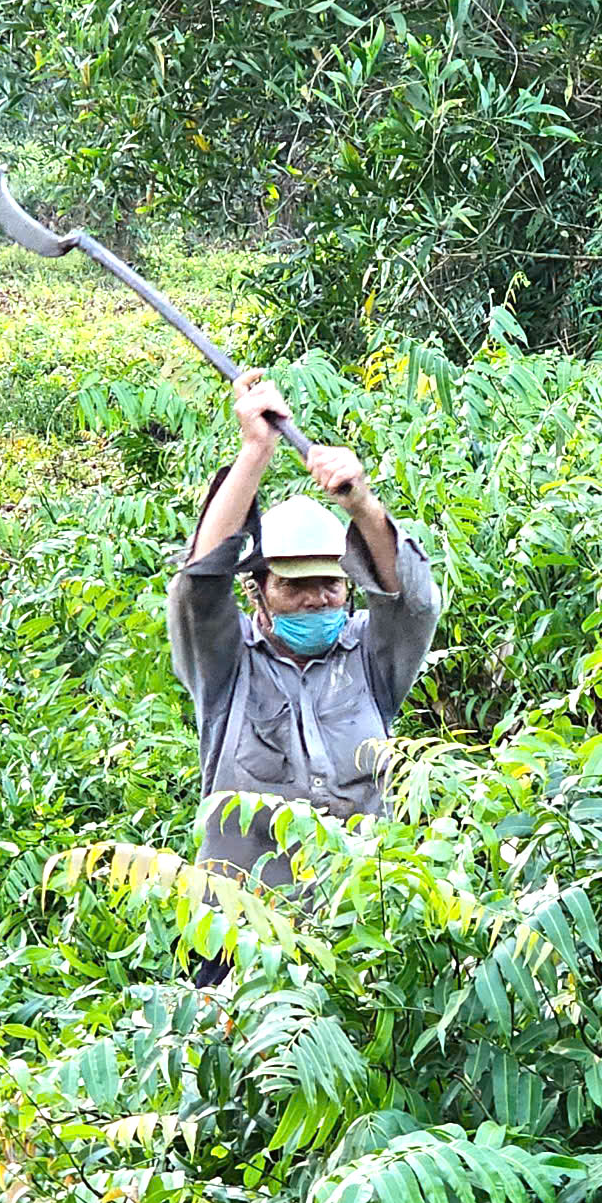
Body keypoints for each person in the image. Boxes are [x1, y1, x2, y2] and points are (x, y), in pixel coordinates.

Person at [167, 369, 441, 929]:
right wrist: (254, 454)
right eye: (293, 586)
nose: (317, 599)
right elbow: (198, 585)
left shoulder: (370, 659)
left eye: (331, 584)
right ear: (259, 592)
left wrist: (361, 503)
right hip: (240, 936)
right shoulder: (227, 667)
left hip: (361, 926)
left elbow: (412, 603)